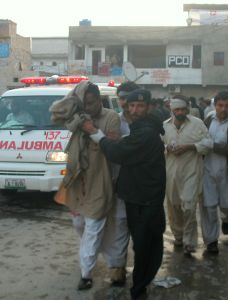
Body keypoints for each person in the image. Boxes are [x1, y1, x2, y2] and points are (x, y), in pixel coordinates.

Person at [82, 89, 166, 300]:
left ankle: (139, 288)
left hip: (145, 199)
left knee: (145, 245)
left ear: (148, 107)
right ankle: (137, 281)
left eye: (140, 106)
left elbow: (118, 153)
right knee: (138, 241)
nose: (135, 110)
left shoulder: (145, 132)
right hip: (136, 196)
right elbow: (126, 145)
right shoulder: (142, 128)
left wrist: (95, 132)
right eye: (131, 106)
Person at [52, 81, 120, 291]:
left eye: (92, 103)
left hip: (100, 182)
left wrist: (92, 130)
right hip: (77, 182)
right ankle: (97, 258)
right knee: (79, 225)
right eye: (85, 103)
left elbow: (114, 147)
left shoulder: (111, 117)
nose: (89, 107)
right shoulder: (76, 118)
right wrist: (76, 105)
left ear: (100, 100)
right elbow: (55, 113)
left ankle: (86, 274)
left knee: (93, 229)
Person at [99, 81, 139, 286]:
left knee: (140, 228)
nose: (124, 103)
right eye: (121, 98)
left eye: (128, 98)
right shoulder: (113, 121)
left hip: (142, 185)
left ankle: (142, 267)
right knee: (120, 223)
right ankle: (118, 266)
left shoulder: (150, 122)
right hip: (118, 182)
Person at [162, 98, 212, 256]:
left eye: (183, 109)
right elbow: (157, 144)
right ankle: (178, 235)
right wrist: (167, 148)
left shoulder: (197, 123)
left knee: (189, 206)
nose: (180, 112)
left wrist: (190, 147)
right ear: (172, 110)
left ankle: (190, 242)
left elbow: (209, 144)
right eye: (177, 110)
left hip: (191, 171)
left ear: (187, 109)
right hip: (171, 173)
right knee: (174, 206)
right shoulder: (164, 126)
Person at [201, 91, 228, 254]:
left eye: (227, 106)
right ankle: (211, 241)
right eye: (220, 105)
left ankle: (227, 219)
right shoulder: (207, 120)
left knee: (227, 205)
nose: (223, 109)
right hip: (207, 170)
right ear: (215, 105)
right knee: (209, 207)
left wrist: (215, 146)